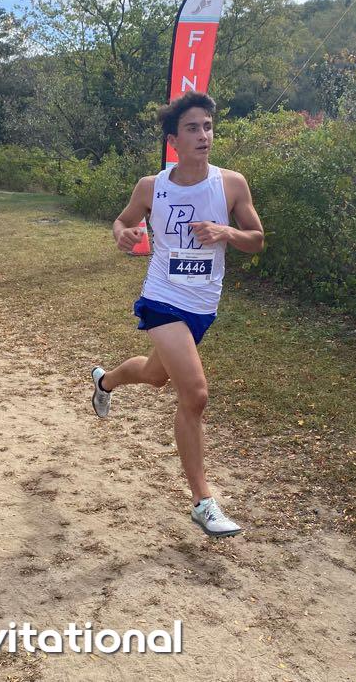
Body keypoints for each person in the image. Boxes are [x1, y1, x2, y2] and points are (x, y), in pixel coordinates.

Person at [91, 91, 264, 538]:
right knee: (195, 394)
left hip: (203, 304)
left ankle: (104, 382)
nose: (203, 135)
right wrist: (123, 234)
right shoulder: (152, 187)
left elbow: (256, 239)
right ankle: (203, 503)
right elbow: (123, 221)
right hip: (162, 296)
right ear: (174, 140)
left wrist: (226, 231)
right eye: (192, 128)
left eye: (208, 126)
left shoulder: (231, 184)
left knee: (155, 376)